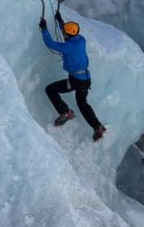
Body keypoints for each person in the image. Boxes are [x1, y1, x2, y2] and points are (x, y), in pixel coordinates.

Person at [39, 10, 106, 142]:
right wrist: (60, 21)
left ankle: (65, 112)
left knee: (51, 89)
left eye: (64, 32)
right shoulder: (80, 40)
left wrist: (44, 29)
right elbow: (68, 34)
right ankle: (97, 126)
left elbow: (51, 44)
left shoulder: (68, 46)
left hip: (76, 81)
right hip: (86, 79)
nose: (63, 33)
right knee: (82, 104)